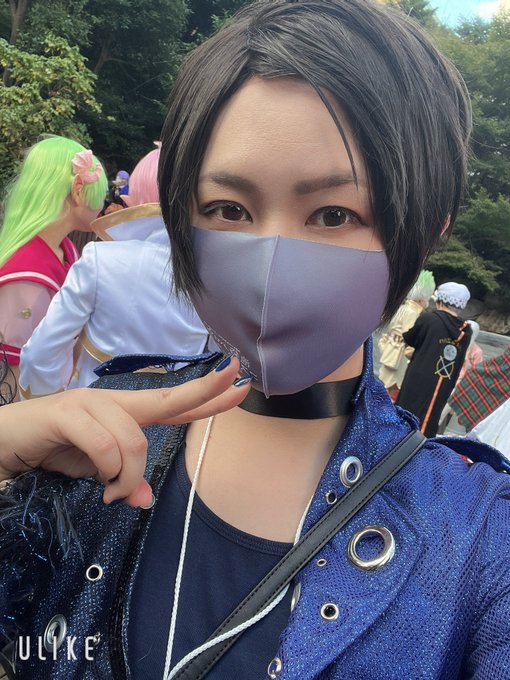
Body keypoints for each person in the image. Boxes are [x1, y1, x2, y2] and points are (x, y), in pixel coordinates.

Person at [1, 2, 510, 679]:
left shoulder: (478, 537)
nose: (272, 268)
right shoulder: (94, 435)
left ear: (423, 231)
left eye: (334, 213)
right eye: (228, 209)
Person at [18, 145, 208, 395]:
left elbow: (40, 354)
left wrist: (48, 405)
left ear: (131, 203)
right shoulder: (219, 275)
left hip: (92, 408)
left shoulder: (101, 259)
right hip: (180, 413)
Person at [0, 136, 107, 400]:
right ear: (78, 189)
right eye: (99, 193)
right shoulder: (26, 273)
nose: (103, 203)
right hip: (31, 405)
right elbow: (14, 373)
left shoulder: (65, 250)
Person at [396, 282, 473, 437]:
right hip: (445, 378)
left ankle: (398, 440)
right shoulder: (466, 330)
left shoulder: (429, 319)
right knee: (432, 414)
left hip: (420, 375)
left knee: (408, 409)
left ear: (440, 301)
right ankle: (422, 443)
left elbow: (410, 338)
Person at [378, 270, 435, 400]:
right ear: (421, 298)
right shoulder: (413, 312)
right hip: (399, 354)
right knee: (391, 385)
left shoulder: (402, 307)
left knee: (384, 381)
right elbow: (409, 335)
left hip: (390, 348)